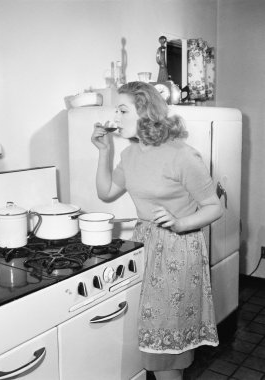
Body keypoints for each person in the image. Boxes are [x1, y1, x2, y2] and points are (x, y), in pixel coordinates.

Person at [91, 81, 223, 380]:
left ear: (145, 111)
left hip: (177, 249)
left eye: (123, 110)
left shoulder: (183, 155)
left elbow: (214, 207)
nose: (116, 116)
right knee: (160, 340)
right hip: (144, 244)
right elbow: (106, 191)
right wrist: (103, 151)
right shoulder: (131, 153)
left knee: (162, 349)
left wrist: (179, 223)